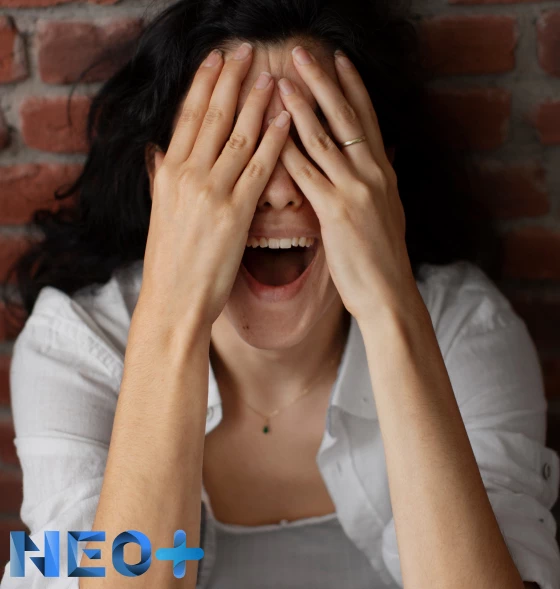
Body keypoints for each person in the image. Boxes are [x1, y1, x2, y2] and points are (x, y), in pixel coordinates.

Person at [0, 0, 558, 588]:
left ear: (378, 181)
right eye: (232, 145)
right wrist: (172, 315)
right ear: (161, 180)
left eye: (314, 141)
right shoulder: (74, 346)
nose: (278, 191)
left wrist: (389, 304)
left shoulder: (466, 327)